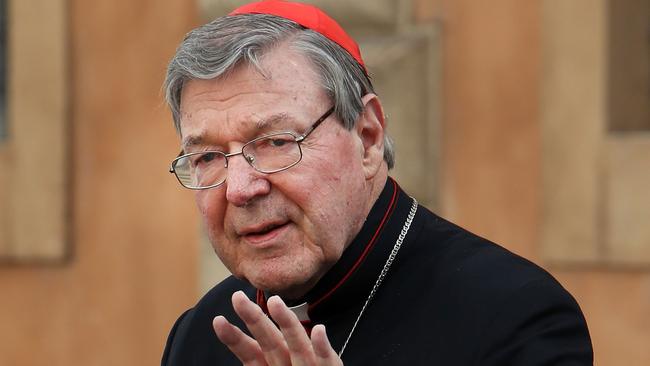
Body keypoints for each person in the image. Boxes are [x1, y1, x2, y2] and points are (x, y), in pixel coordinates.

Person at [161, 1, 593, 365]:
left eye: (276, 141)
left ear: (368, 137)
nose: (239, 189)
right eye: (208, 157)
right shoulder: (199, 337)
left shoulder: (516, 318)